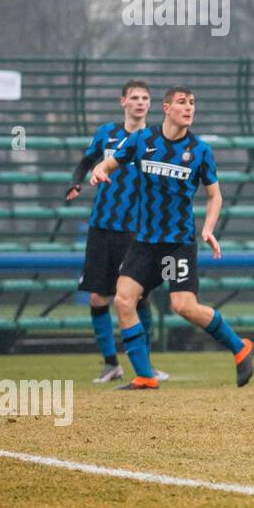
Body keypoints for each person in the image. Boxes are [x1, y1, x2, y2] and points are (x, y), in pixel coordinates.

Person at [89, 86, 253, 389]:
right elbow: (110, 162)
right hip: (145, 242)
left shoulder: (200, 150)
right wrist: (99, 170)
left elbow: (215, 196)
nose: (188, 107)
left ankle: (240, 347)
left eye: (192, 103)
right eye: (182, 103)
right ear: (166, 108)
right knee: (124, 299)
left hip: (177, 244)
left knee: (183, 306)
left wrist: (208, 228)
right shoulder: (142, 140)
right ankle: (145, 376)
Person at [65, 79, 166, 384]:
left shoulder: (155, 140)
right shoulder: (107, 133)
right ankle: (111, 364)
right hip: (102, 226)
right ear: (123, 101)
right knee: (98, 297)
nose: (140, 102)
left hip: (135, 230)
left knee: (138, 297)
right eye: (134, 97)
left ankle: (145, 364)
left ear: (150, 104)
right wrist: (76, 181)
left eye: (145, 98)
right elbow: (85, 160)